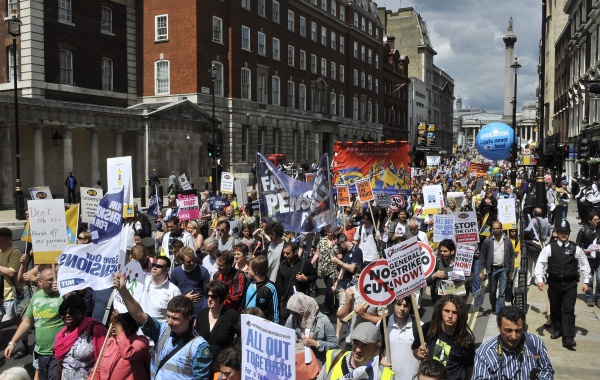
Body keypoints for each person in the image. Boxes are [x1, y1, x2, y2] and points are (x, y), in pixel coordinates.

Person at [113, 273, 213, 380]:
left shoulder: (199, 347)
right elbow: (139, 314)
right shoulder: (162, 330)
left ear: (188, 318)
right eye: (168, 316)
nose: (169, 322)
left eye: (175, 318)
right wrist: (123, 291)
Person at [535, 219, 591, 348]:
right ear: (557, 232)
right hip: (554, 283)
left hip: (570, 284)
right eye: (561, 231)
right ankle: (558, 329)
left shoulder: (576, 248)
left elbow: (584, 265)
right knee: (555, 308)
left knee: (568, 309)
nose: (563, 234)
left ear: (569, 233)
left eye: (566, 232)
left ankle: (568, 336)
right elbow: (540, 264)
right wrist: (539, 280)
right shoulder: (549, 248)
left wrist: (586, 282)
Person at [4, 266, 64, 380]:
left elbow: (77, 310)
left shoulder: (63, 296)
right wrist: (12, 342)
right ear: (40, 282)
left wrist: (63, 292)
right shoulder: (36, 297)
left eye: (56, 278)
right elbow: (27, 322)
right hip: (41, 352)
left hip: (58, 353)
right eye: (50, 279)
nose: (54, 281)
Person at [473, 306, 554, 379]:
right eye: (508, 330)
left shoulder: (535, 342)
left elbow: (547, 370)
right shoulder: (483, 356)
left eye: (518, 330)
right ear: (498, 327)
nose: (514, 336)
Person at [412, 295, 475, 380]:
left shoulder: (466, 340)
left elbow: (469, 367)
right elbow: (415, 349)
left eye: (455, 312)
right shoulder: (428, 329)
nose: (450, 316)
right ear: (440, 311)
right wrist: (419, 353)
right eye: (446, 311)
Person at [53, 295, 108, 380]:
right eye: (64, 313)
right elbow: (60, 363)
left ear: (82, 312)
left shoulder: (95, 330)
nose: (67, 315)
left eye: (72, 312)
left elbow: (105, 360)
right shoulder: (61, 335)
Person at [317, 322, 395, 380]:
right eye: (356, 343)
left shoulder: (385, 376)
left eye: (365, 345)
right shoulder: (335, 357)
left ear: (376, 347)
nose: (358, 349)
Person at [88, 310, 151, 380]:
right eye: (111, 323)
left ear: (129, 326)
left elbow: (127, 353)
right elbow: (97, 370)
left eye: (116, 324)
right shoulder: (110, 341)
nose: (112, 327)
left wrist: (118, 325)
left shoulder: (141, 342)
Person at [285, 293, 339, 366]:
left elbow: (335, 345)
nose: (294, 315)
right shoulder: (292, 317)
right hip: (299, 361)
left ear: (306, 310)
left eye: (296, 313)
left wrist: (315, 343)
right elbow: (286, 336)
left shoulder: (323, 320)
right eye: (292, 313)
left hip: (318, 364)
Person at [194, 280, 240, 359]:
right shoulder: (201, 313)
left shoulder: (233, 315)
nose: (209, 299)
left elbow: (241, 339)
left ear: (222, 297)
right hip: (201, 362)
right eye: (207, 296)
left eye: (213, 297)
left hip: (221, 363)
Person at [379, 297, 421, 380]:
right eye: (398, 304)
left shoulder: (419, 326)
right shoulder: (383, 324)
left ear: (411, 307)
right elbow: (373, 348)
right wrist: (380, 358)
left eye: (406, 305)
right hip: (388, 376)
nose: (402, 309)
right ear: (393, 304)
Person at [479, 221, 514, 313]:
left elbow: (511, 256)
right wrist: (481, 271)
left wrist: (511, 271)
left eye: (497, 228)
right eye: (494, 228)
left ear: (501, 229)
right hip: (492, 270)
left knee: (501, 293)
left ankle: (501, 311)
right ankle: (494, 307)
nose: (495, 230)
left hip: (503, 269)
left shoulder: (507, 240)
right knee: (492, 292)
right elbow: (482, 256)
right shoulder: (488, 241)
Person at [276, 242, 317, 322]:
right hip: (286, 301)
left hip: (301, 301)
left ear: (295, 252)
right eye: (284, 253)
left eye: (288, 253)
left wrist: (306, 279)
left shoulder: (305, 263)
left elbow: (314, 276)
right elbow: (279, 283)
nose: (285, 255)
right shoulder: (282, 265)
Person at [139, 256, 182, 321]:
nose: (154, 268)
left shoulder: (173, 290)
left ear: (167, 270)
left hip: (159, 330)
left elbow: (178, 315)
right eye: (153, 265)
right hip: (139, 329)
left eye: (159, 266)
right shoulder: (145, 278)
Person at [170, 247, 211, 315]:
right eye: (188, 261)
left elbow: (207, 294)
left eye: (193, 259)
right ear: (181, 261)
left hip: (199, 311)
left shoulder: (203, 271)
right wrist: (184, 298)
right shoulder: (175, 272)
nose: (192, 263)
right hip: (181, 311)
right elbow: (172, 294)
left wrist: (202, 313)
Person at [0, 228, 23, 342]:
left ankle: (24, 345)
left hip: (10, 294)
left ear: (2, 238)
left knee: (17, 320)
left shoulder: (15, 252)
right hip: (1, 294)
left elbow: (11, 272)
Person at [243, 255, 279, 323]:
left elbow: (275, 314)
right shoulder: (249, 283)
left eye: (249, 269)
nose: (247, 270)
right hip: (247, 322)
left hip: (261, 326)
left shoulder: (270, 288)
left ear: (256, 271)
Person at [311, 227, 339, 316]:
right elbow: (317, 253)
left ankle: (326, 307)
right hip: (322, 269)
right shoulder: (322, 241)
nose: (330, 234)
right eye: (328, 232)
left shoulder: (337, 242)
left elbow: (341, 253)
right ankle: (332, 301)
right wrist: (311, 262)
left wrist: (339, 256)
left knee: (329, 289)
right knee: (326, 287)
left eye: (331, 232)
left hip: (333, 269)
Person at [575, 211, 600, 307]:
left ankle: (598, 297)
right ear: (590, 220)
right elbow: (577, 244)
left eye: (598, 219)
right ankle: (589, 298)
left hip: (598, 258)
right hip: (588, 258)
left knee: (599, 279)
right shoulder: (583, 231)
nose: (597, 221)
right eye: (595, 220)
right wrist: (583, 250)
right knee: (589, 279)